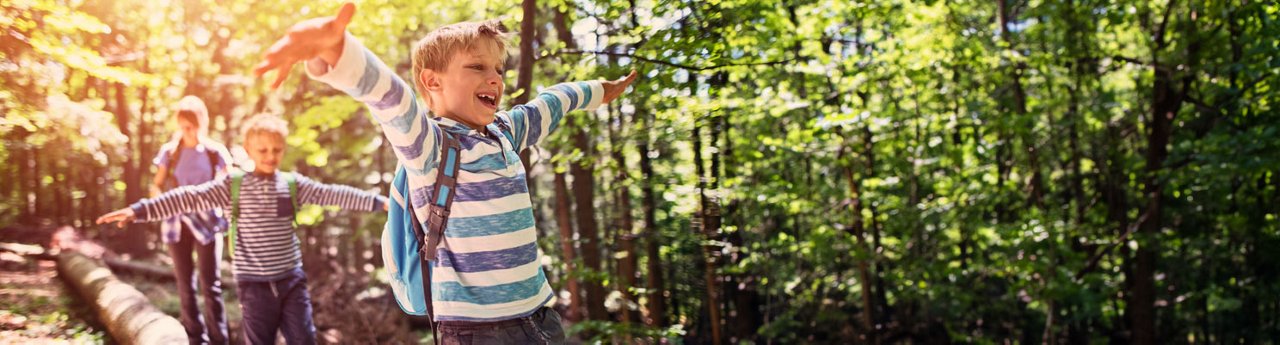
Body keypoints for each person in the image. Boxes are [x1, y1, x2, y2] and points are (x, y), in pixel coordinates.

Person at [253, 3, 637, 343]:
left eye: (498, 70)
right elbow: (391, 98)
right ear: (432, 81)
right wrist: (338, 51)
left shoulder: (506, 131)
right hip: (476, 330)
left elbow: (554, 101)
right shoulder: (430, 147)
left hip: (541, 317)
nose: (495, 79)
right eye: (477, 67)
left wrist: (601, 90)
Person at [98, 113, 389, 345]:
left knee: (303, 338)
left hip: (291, 281)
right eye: (262, 149)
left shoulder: (291, 185)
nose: (270, 155)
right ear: (248, 149)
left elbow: (333, 194)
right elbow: (187, 197)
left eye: (276, 150)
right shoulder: (232, 186)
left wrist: (381, 203)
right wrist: (139, 210)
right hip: (254, 286)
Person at [151, 95, 232, 345]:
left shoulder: (214, 152)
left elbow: (230, 184)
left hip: (208, 224)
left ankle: (220, 339)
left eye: (192, 125)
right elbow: (156, 186)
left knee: (211, 285)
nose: (188, 131)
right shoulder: (170, 153)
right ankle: (196, 339)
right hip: (177, 225)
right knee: (186, 284)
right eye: (184, 126)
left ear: (202, 123)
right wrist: (161, 205)